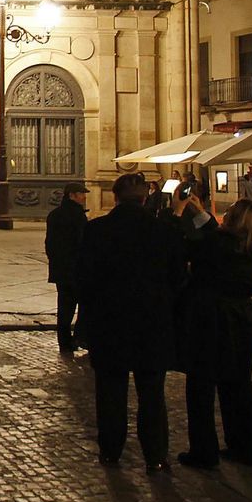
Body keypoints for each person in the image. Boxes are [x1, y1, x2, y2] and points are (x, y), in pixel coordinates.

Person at [77, 172, 187, 473]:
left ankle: (110, 451)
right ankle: (156, 456)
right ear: (143, 198)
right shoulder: (164, 232)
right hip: (152, 326)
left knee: (110, 393)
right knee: (152, 395)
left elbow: (84, 280)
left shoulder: (96, 230)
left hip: (110, 325)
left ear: (114, 197)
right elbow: (179, 278)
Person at [174, 197, 252, 469]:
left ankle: (204, 451)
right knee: (238, 382)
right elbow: (213, 237)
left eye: (229, 213)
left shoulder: (217, 245)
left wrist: (180, 213)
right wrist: (202, 213)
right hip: (241, 318)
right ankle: (244, 445)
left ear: (235, 220)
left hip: (210, 316)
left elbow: (192, 246)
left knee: (201, 384)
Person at [45, 183, 90, 355]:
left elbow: (49, 244)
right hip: (77, 270)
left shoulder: (54, 215)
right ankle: (79, 337)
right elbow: (82, 243)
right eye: (81, 194)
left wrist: (55, 261)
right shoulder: (78, 216)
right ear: (72, 195)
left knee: (64, 307)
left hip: (61, 269)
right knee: (85, 304)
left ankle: (64, 341)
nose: (84, 197)